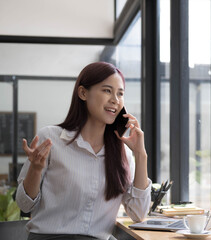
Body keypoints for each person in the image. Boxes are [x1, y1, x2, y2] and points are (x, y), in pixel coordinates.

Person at [16, 62, 152, 240]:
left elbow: (138, 213)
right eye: (107, 91)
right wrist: (35, 169)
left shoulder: (123, 154)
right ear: (83, 93)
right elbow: (25, 205)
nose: (115, 100)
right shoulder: (51, 139)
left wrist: (141, 155)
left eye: (120, 93)